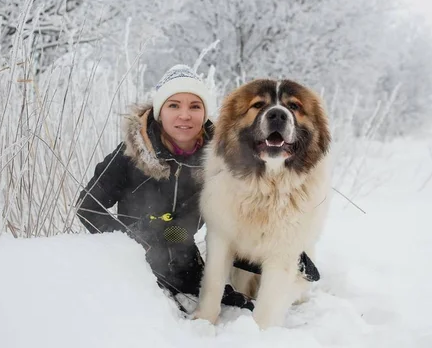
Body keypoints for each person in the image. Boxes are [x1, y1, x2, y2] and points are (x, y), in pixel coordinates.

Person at [75, 64, 319, 313]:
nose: (185, 115)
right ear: (160, 112)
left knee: (231, 304)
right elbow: (87, 207)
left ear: (204, 113)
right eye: (173, 105)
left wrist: (286, 255)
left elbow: (237, 222)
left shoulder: (221, 158)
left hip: (181, 254)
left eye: (194, 106)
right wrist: (132, 241)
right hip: (130, 258)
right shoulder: (132, 152)